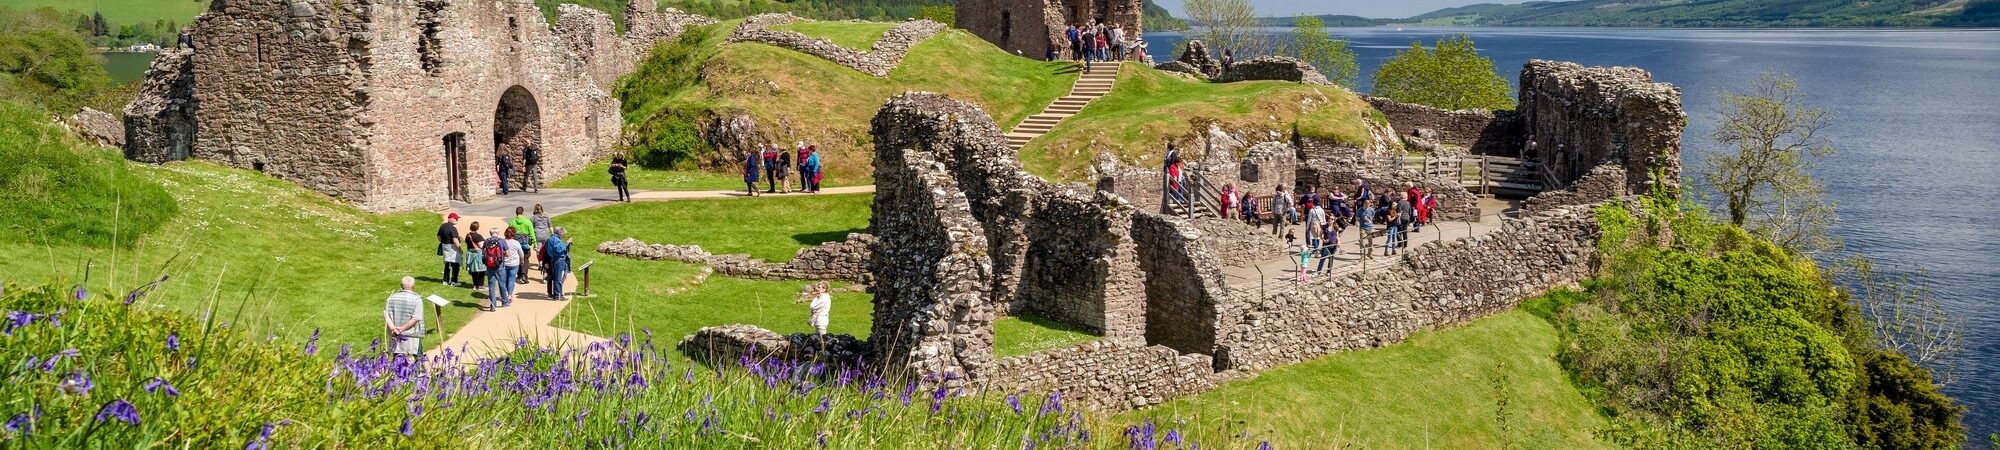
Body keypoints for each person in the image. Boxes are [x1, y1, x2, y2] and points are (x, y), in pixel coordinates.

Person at [383, 277, 425, 357]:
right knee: (418, 361)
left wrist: (394, 329)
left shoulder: (391, 298)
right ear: (413, 286)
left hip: (395, 334)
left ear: (401, 285)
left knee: (397, 361)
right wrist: (402, 329)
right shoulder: (417, 299)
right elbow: (415, 318)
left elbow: (386, 315)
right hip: (412, 335)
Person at [545, 227, 572, 301]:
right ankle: (558, 295)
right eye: (563, 233)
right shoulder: (555, 239)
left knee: (556, 277)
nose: (563, 235)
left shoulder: (552, 238)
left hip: (554, 259)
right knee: (558, 278)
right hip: (558, 260)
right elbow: (559, 249)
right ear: (559, 232)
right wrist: (567, 242)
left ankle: (556, 294)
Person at [509, 207, 535, 283]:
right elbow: (532, 234)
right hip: (525, 244)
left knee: (518, 258)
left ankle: (519, 275)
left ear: (516, 212)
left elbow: (509, 233)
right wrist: (535, 244)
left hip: (515, 244)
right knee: (526, 258)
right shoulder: (527, 222)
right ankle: (524, 275)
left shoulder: (512, 222)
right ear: (522, 212)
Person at [437, 213, 462, 286]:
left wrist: (443, 242)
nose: (457, 220)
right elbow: (455, 240)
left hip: (445, 246)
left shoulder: (442, 226)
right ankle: (454, 281)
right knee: (455, 264)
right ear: (450, 219)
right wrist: (460, 249)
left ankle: (445, 280)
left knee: (447, 264)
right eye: (456, 219)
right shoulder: (453, 228)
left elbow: (438, 236)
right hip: (452, 248)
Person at [500, 228, 523, 304]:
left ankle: (505, 294)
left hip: (504, 263)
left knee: (505, 279)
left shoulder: (501, 242)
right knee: (511, 280)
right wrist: (522, 261)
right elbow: (521, 254)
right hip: (514, 264)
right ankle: (509, 295)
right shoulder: (516, 243)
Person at [467, 222, 487, 294]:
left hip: (470, 254)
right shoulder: (478, 236)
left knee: (473, 270)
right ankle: (481, 285)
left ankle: (475, 285)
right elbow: (481, 246)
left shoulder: (468, 235)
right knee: (482, 269)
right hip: (478, 254)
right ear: (477, 228)